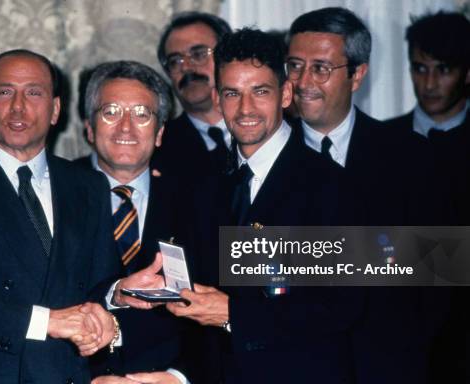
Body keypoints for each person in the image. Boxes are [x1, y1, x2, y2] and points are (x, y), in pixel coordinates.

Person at [0, 49, 162, 383]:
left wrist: (116, 291)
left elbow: (93, 283)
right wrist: (47, 321)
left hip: (64, 374)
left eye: (34, 93)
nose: (18, 106)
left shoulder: (87, 185)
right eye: (5, 92)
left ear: (55, 110)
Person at [166, 28, 361, 384]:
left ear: (286, 94)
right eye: (232, 94)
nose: (245, 109)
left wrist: (234, 315)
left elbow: (341, 307)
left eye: (260, 92)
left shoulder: (333, 186)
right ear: (217, 97)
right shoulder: (201, 183)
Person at [287, 7, 441, 383]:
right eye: (294, 65)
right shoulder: (263, 157)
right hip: (293, 365)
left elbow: (438, 266)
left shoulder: (410, 155)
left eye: (321, 68)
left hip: (387, 365)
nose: (303, 81)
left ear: (357, 74)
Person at [79, 60, 191, 384]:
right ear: (89, 127)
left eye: (142, 114)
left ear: (159, 133)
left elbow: (213, 310)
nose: (126, 128)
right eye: (111, 112)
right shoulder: (54, 197)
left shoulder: (194, 201)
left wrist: (179, 377)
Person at [384, 11, 469, 224]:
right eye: (420, 68)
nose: (429, 84)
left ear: (467, 73)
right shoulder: (379, 141)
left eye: (444, 69)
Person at [153, 11, 233, 179]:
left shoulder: (274, 129)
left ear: (228, 57)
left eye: (199, 54)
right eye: (175, 61)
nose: (187, 67)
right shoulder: (158, 149)